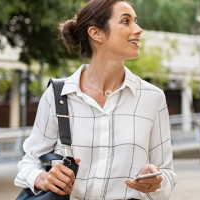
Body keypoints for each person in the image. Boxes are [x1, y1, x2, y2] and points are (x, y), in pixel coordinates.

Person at [14, 0, 176, 199]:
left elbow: (167, 174)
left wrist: (155, 181)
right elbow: (29, 161)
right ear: (96, 33)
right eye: (126, 21)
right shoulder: (58, 95)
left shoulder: (153, 98)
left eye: (136, 21)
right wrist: (41, 178)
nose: (138, 29)